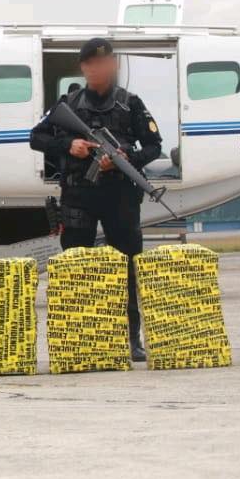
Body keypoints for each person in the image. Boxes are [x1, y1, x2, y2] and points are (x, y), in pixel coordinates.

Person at [29, 38, 163, 362]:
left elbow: (154, 145)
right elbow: (36, 137)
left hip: (120, 197)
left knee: (128, 267)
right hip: (79, 197)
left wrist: (124, 155)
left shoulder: (130, 104)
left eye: (104, 63)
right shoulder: (69, 104)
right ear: (84, 67)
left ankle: (131, 337)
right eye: (91, 63)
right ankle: (78, 337)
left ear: (113, 65)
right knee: (77, 267)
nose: (97, 68)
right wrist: (69, 146)